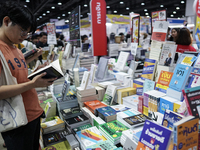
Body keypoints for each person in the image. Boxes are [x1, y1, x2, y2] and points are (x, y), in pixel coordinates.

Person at [0, 2, 56, 150]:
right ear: (6, 21)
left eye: (28, 33)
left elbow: (18, 78)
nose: (25, 36)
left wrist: (36, 73)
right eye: (22, 31)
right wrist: (32, 84)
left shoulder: (16, 48)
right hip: (16, 120)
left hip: (33, 113)